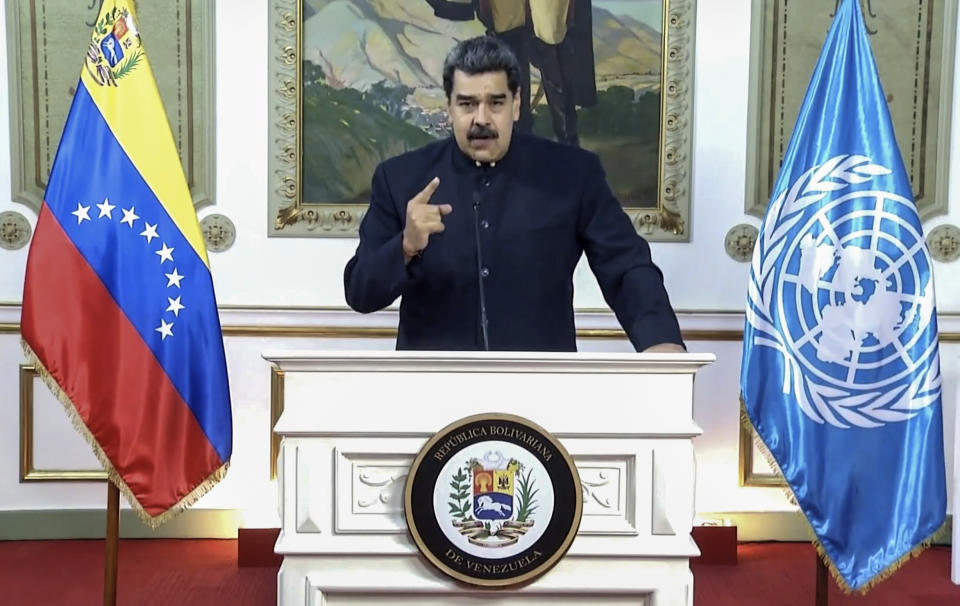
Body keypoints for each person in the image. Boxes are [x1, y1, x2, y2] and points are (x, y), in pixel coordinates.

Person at [343, 36, 683, 353]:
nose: (481, 119)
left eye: (495, 103)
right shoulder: (400, 178)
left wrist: (661, 342)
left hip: (540, 393)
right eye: (467, 104)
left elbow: (626, 266)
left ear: (516, 105)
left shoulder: (573, 173)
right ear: (449, 107)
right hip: (433, 392)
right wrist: (404, 246)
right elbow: (360, 292)